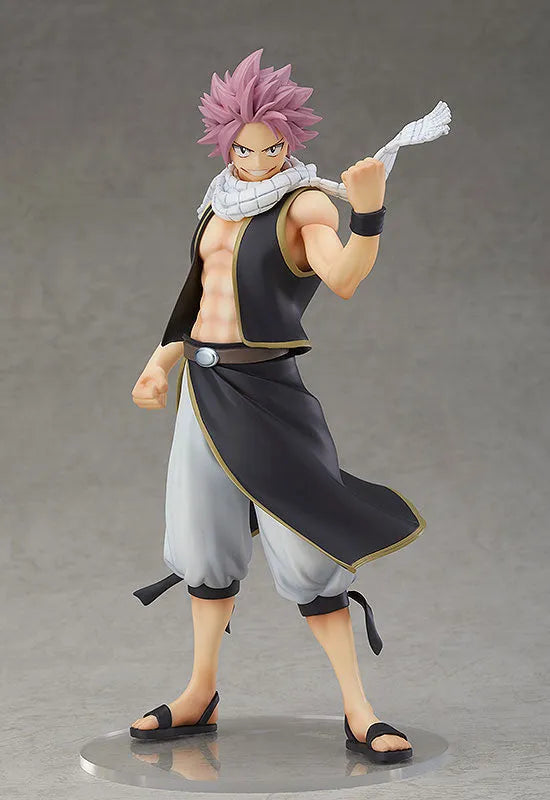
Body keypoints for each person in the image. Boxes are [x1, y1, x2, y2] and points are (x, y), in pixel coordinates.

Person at [127, 49, 448, 762]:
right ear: (225, 143)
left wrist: (369, 213)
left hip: (265, 392)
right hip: (201, 391)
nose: (256, 161)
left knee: (306, 544)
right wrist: (159, 362)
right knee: (202, 542)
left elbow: (343, 278)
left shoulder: (303, 203)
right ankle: (200, 690)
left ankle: (358, 708)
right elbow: (194, 299)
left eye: (271, 148)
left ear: (289, 143)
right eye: (244, 149)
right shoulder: (216, 202)